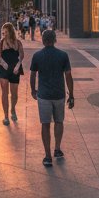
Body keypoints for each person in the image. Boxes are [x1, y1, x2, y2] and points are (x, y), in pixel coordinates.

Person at [30, 29, 74, 167]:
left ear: (43, 40)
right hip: (59, 95)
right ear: (55, 40)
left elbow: (32, 75)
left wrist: (33, 90)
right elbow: (68, 76)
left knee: (45, 124)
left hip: (43, 95)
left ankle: (47, 156)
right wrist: (71, 95)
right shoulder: (63, 55)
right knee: (59, 121)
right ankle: (57, 149)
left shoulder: (37, 56)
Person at [0, 22, 25, 126]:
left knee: (14, 94)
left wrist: (17, 66)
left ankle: (12, 109)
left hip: (15, 70)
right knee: (4, 92)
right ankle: (6, 116)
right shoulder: (1, 42)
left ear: (11, 32)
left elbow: (21, 56)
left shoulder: (18, 43)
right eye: (3, 32)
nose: (4, 34)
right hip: (3, 69)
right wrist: (3, 63)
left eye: (6, 32)